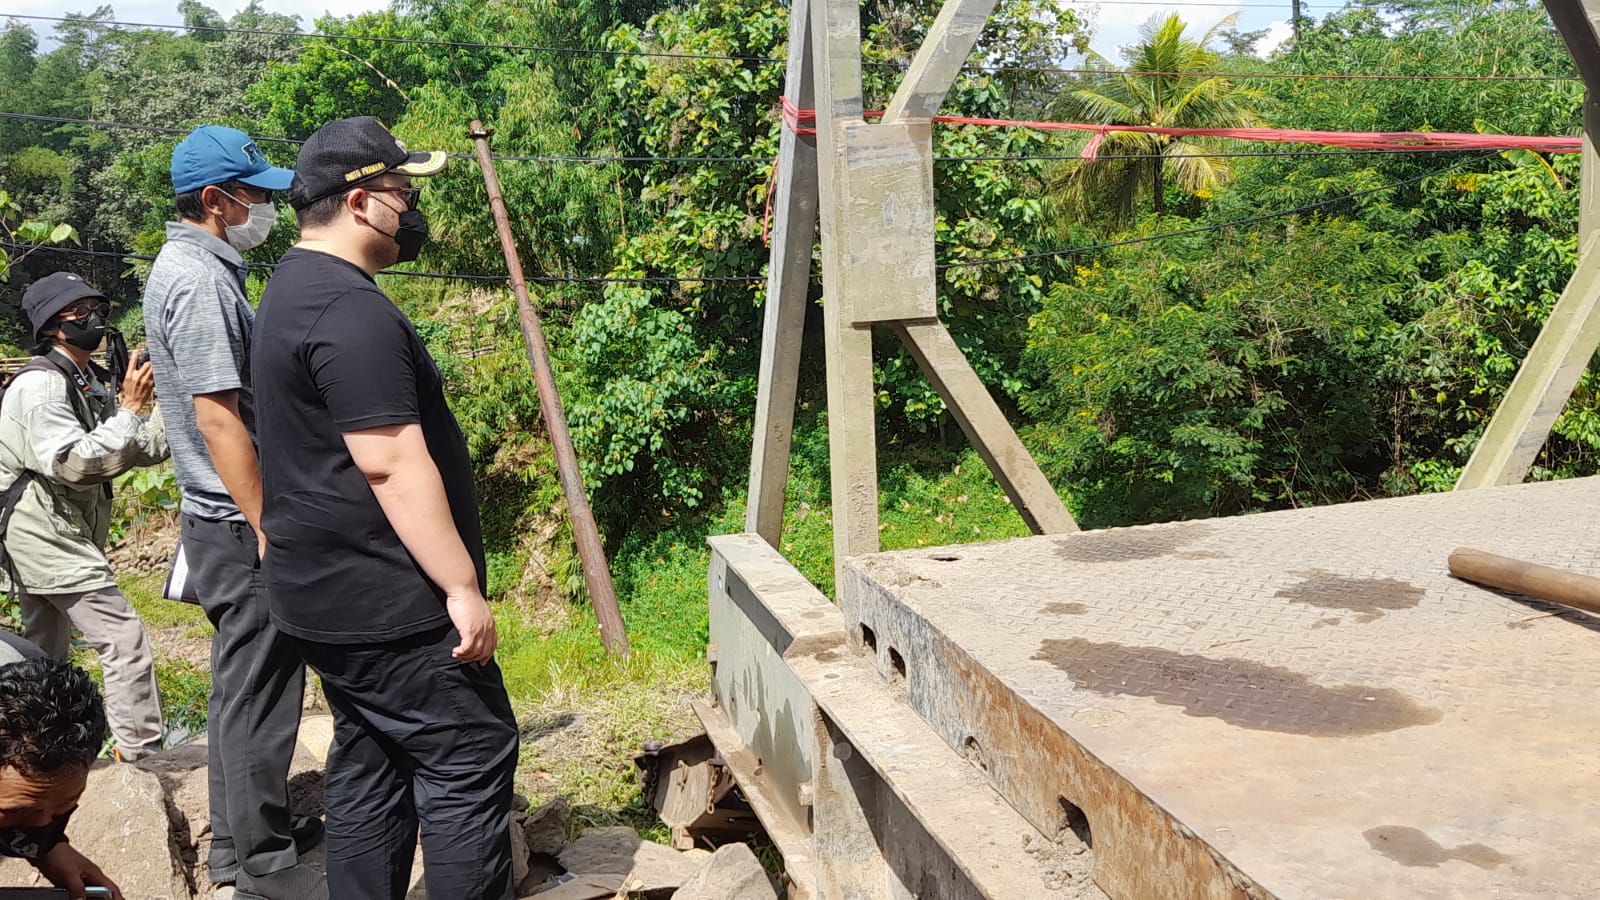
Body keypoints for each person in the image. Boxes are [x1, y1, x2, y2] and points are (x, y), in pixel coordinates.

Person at [252, 116, 518, 900]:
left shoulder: (290, 288)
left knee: (371, 754)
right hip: (386, 600)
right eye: (404, 192)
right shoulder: (349, 312)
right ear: (362, 200)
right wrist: (461, 587)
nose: (413, 210)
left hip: (322, 593)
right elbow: (390, 462)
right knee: (469, 753)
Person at [142, 124, 325, 900]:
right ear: (217, 202)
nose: (267, 208)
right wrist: (265, 524)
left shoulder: (202, 266)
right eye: (255, 196)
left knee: (242, 687)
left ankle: (242, 845)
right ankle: (260, 864)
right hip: (231, 513)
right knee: (265, 689)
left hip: (219, 512)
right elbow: (219, 418)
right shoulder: (199, 281)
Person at [0, 273, 167, 762]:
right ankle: (141, 755)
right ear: (53, 327)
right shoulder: (41, 386)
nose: (96, 319)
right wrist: (131, 409)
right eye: (81, 312)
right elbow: (74, 464)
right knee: (122, 637)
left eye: (99, 308)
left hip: (55, 530)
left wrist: (167, 401)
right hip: (43, 533)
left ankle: (33, 753)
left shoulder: (85, 380)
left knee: (43, 654)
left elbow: (137, 449)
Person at [0, 632, 125, 899]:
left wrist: (47, 847)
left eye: (61, 808)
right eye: (16, 812)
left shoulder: (50, 694)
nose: (43, 823)